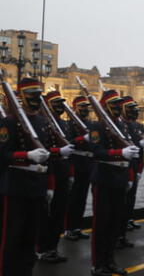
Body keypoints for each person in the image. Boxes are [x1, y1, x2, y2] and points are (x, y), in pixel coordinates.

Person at [0, 78, 73, 275]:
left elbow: (47, 154)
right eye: (31, 95)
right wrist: (26, 156)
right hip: (16, 187)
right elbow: (3, 154)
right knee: (12, 238)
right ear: (22, 96)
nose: (36, 99)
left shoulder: (42, 121)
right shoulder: (9, 122)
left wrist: (49, 185)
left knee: (30, 239)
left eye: (38, 95)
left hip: (38, 186)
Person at [87, 89, 139, 276]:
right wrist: (118, 154)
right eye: (114, 104)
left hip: (119, 178)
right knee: (101, 223)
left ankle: (110, 260)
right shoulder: (97, 126)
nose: (118, 107)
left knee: (114, 223)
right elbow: (96, 151)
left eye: (119, 104)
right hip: (104, 177)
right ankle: (98, 264)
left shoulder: (121, 126)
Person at [36, 91, 75, 263]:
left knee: (59, 212)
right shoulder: (45, 123)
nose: (60, 106)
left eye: (61, 102)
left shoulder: (64, 124)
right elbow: (43, 150)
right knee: (47, 215)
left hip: (63, 170)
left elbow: (70, 150)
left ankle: (52, 248)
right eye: (56, 103)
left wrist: (71, 173)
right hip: (50, 170)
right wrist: (58, 152)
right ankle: (42, 249)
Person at [116, 96, 144, 249]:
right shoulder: (121, 126)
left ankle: (127, 221)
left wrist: (139, 169)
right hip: (124, 167)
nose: (133, 112)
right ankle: (119, 231)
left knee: (131, 197)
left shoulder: (134, 125)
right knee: (121, 201)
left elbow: (138, 151)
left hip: (134, 165)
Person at [64, 96, 94, 241]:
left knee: (82, 198)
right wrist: (82, 139)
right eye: (81, 107)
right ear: (74, 108)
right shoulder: (70, 124)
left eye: (86, 107)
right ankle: (69, 228)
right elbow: (68, 142)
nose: (85, 109)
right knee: (73, 198)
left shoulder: (89, 123)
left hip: (87, 163)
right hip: (76, 162)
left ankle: (77, 227)